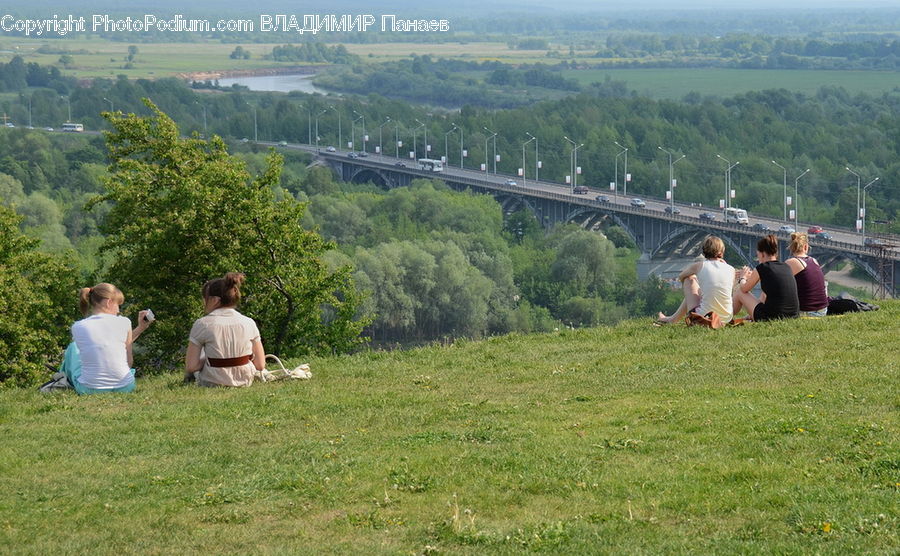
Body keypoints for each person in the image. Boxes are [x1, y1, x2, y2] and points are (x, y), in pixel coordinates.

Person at [60, 283, 154, 394]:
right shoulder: (125, 322)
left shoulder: (78, 327)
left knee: (73, 347)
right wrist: (141, 328)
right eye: (118, 305)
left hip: (89, 390)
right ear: (109, 302)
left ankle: (61, 378)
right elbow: (128, 362)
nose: (118, 310)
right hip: (126, 387)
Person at [185, 272, 265, 387]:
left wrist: (206, 360)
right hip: (245, 380)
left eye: (205, 298)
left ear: (215, 300)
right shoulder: (249, 322)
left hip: (212, 381)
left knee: (201, 347)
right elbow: (260, 365)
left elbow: (191, 366)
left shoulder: (202, 324)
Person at [656, 235, 735, 324]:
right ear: (722, 251)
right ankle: (672, 319)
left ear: (704, 250)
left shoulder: (699, 266)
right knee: (702, 290)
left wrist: (692, 291)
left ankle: (672, 320)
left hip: (703, 318)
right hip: (726, 319)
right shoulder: (731, 269)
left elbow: (681, 276)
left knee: (689, 279)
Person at [733, 235, 800, 321]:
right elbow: (772, 282)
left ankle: (725, 319)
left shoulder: (762, 268)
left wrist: (743, 278)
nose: (758, 259)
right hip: (793, 316)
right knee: (765, 295)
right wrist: (753, 275)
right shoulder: (786, 266)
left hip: (772, 317)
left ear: (763, 254)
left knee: (739, 293)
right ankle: (750, 316)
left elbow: (744, 289)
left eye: (758, 255)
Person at [785, 232, 828, 317]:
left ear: (791, 248)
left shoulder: (791, 262)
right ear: (806, 246)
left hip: (807, 312)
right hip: (823, 310)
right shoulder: (814, 261)